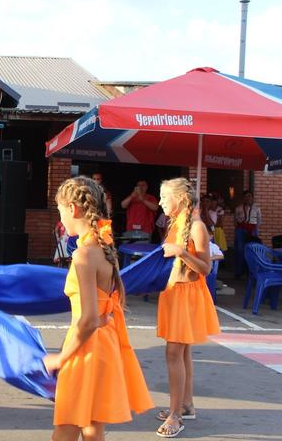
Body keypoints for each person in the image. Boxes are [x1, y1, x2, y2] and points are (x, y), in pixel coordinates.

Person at [44, 176, 152, 440]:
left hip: (86, 347)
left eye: (60, 211)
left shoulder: (84, 254)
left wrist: (60, 357)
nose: (60, 219)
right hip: (105, 345)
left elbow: (89, 319)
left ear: (72, 209)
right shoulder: (103, 246)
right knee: (92, 429)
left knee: (66, 427)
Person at [156, 177, 220, 438]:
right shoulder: (177, 224)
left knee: (174, 354)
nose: (160, 202)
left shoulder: (197, 227)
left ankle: (175, 416)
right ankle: (186, 405)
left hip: (187, 296)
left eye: (164, 197)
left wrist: (181, 253)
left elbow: (206, 268)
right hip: (173, 293)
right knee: (182, 354)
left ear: (180, 199)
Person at [233, 190, 261, 278]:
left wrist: (255, 230)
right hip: (241, 230)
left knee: (253, 250)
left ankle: (251, 272)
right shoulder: (238, 208)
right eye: (246, 196)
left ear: (252, 198)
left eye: (250, 196)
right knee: (240, 250)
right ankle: (238, 272)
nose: (248, 198)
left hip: (252, 230)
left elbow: (259, 221)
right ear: (243, 198)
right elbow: (235, 220)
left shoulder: (257, 208)